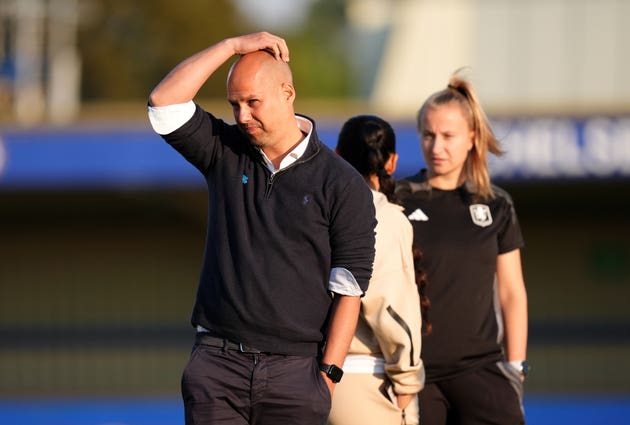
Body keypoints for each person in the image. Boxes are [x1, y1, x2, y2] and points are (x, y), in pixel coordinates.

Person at [147, 32, 377, 425]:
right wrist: (231, 47)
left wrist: (328, 378)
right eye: (235, 104)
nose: (242, 116)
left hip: (297, 374)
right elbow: (163, 103)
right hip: (216, 368)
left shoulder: (342, 182)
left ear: (287, 93)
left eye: (253, 102)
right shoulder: (224, 149)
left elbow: (350, 288)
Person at [396, 72, 529, 425]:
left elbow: (512, 293)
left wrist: (517, 367)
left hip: (481, 368)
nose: (436, 146)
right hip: (415, 372)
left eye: (447, 136)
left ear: (472, 138)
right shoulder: (397, 199)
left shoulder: (496, 204)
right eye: (428, 135)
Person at [328, 115, 426, 425]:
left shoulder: (313, 206)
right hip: (364, 381)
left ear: (337, 155)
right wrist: (408, 381)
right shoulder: (385, 216)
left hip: (305, 379)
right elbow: (391, 308)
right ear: (392, 161)